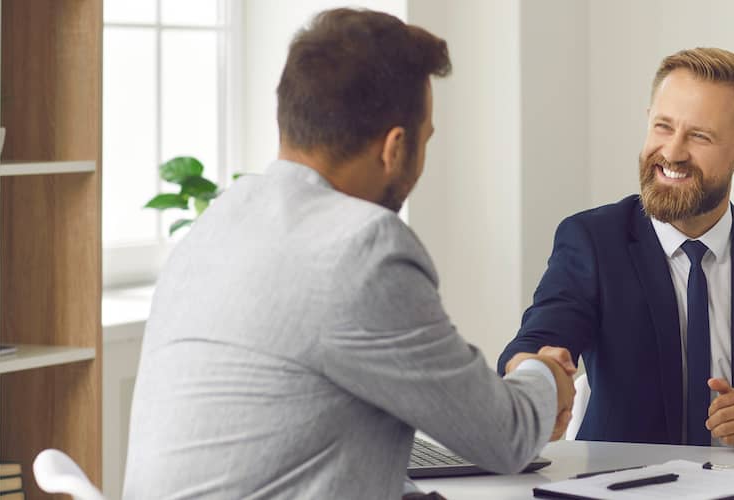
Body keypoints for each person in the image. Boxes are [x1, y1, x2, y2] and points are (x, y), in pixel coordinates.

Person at [122, 9, 575, 499]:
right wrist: (544, 374)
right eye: (425, 140)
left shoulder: (221, 220)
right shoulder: (362, 250)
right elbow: (505, 436)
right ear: (394, 147)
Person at [499, 47, 734, 451]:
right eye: (663, 127)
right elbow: (539, 339)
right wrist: (537, 377)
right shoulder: (593, 242)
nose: (672, 153)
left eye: (699, 136)